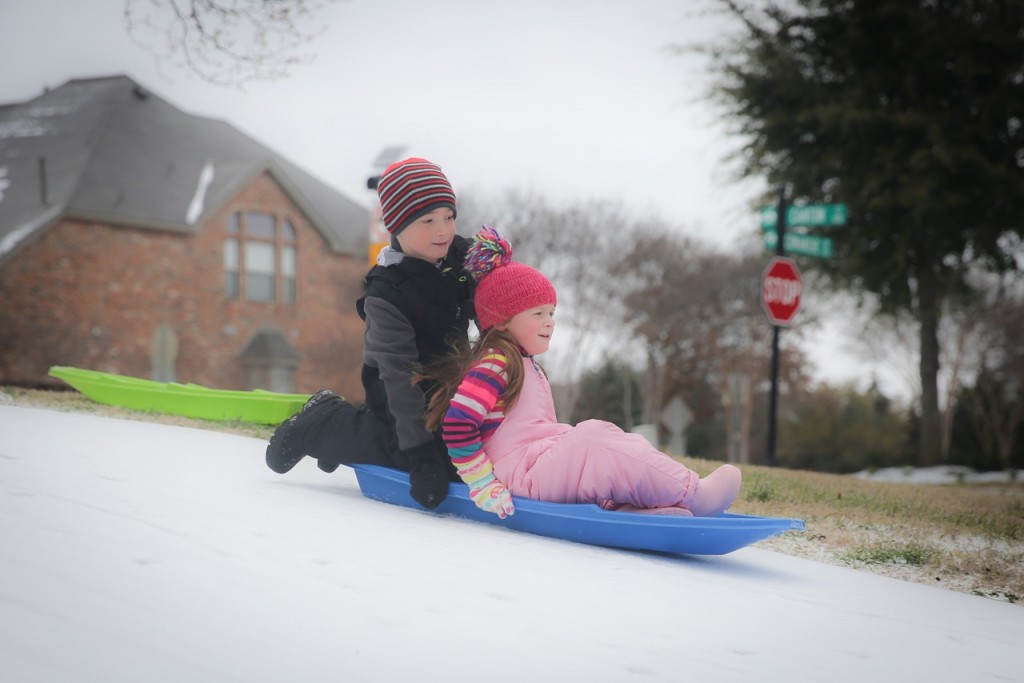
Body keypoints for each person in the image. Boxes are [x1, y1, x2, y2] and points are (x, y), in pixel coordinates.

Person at [422, 226, 742, 519]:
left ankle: (636, 509)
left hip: (536, 464)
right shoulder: (495, 363)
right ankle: (694, 494)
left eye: (552, 313)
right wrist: (482, 484)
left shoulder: (527, 365)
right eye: (538, 313)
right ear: (502, 320)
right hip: (518, 475)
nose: (550, 321)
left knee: (615, 442)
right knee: (593, 440)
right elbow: (458, 423)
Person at [265, 157, 476, 510]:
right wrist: (420, 454)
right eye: (428, 221)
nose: (443, 230)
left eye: (449, 217)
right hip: (400, 397)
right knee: (414, 457)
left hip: (451, 386)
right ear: (397, 225)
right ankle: (326, 422)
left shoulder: (462, 257)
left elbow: (499, 298)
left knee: (464, 458)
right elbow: (398, 376)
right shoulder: (387, 295)